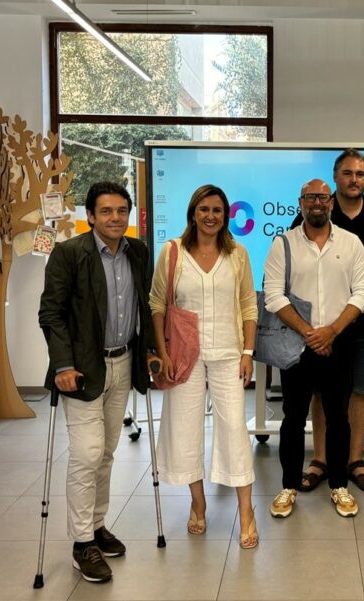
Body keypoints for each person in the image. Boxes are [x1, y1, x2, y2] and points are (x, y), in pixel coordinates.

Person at [38, 181, 160, 583]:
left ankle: (95, 526)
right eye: (106, 211)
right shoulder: (70, 254)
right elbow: (51, 313)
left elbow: (145, 306)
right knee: (87, 454)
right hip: (83, 369)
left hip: (123, 362)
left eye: (122, 211)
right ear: (90, 215)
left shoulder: (137, 252)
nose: (115, 218)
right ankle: (80, 543)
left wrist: (151, 349)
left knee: (107, 452)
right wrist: (62, 365)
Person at [150, 184, 259, 550]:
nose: (210, 216)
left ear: (226, 215)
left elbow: (248, 306)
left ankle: (246, 511)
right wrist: (162, 353)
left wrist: (248, 351)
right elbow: (157, 305)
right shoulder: (172, 253)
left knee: (234, 432)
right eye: (204, 209)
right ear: (192, 213)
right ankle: (198, 501)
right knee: (184, 429)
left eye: (217, 210)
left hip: (229, 353)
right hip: (184, 355)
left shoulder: (238, 254)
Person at [290, 149, 364, 494]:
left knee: (361, 390)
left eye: (361, 174)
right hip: (322, 329)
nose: (354, 179)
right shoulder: (313, 213)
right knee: (322, 394)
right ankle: (320, 459)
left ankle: (355, 460)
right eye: (348, 173)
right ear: (335, 177)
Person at [264, 178, 364, 519]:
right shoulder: (283, 244)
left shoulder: (352, 243)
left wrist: (332, 331)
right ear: (300, 202)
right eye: (310, 197)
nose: (317, 203)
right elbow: (273, 295)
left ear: (331, 203)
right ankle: (288, 486)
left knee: (339, 418)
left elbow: (363, 292)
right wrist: (312, 333)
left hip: (338, 344)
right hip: (297, 345)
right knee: (293, 418)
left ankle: (339, 485)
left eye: (323, 198)